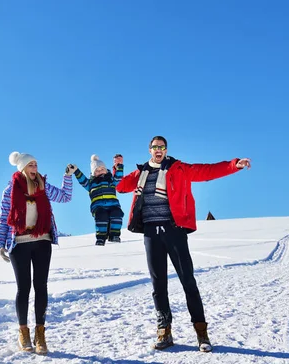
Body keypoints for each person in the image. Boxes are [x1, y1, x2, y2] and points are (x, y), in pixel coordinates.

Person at [116, 136, 251, 352]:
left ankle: (201, 333)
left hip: (174, 230)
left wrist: (233, 165)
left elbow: (206, 171)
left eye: (162, 147)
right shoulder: (141, 172)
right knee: (158, 285)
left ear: (166, 150)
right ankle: (164, 331)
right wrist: (118, 168)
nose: (158, 150)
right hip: (151, 232)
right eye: (155, 147)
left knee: (187, 280)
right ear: (149, 150)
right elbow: (121, 187)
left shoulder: (178, 168)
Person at [0, 151, 73, 355]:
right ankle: (23, 332)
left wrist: (67, 177)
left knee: (41, 286)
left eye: (36, 164)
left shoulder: (43, 187)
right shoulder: (10, 190)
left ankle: (40, 333)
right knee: (24, 288)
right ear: (22, 168)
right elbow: (4, 218)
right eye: (31, 165)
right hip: (19, 243)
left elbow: (65, 197)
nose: (35, 168)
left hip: (42, 241)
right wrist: (0, 244)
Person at [66, 154, 124, 246]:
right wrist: (76, 171)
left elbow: (119, 177)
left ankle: (114, 235)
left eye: (102, 169)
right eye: (97, 170)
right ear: (93, 173)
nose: (100, 171)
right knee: (101, 216)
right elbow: (83, 180)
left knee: (117, 214)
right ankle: (101, 237)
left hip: (113, 205)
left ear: (106, 170)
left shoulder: (111, 180)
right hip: (98, 206)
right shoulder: (91, 184)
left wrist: (120, 166)